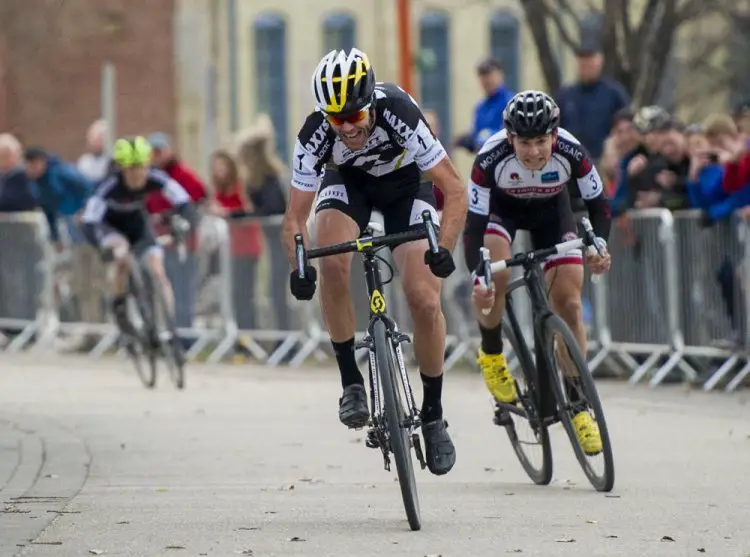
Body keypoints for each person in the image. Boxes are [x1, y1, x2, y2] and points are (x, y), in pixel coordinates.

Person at [282, 48, 468, 476]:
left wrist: (444, 247)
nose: (346, 127)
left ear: (370, 103)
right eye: (336, 119)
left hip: (407, 187)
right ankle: (351, 381)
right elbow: (294, 215)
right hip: (349, 187)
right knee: (331, 265)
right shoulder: (315, 130)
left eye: (353, 116)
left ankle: (434, 415)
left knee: (423, 298)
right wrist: (299, 266)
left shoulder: (398, 110)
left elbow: (454, 190)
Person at [463, 91, 612, 455]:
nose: (534, 152)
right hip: (503, 213)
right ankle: (493, 354)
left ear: (554, 136)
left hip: (552, 213)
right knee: (494, 276)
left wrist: (599, 247)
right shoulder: (489, 159)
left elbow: (599, 207)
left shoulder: (572, 153)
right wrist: (477, 275)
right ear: (510, 138)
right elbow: (474, 225)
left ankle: (578, 406)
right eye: (525, 142)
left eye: (542, 141)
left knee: (571, 305)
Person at [80, 137, 197, 346]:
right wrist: (100, 248)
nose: (137, 175)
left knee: (157, 269)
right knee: (122, 254)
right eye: (131, 170)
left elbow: (184, 201)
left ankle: (167, 325)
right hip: (112, 227)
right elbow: (89, 221)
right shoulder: (109, 185)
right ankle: (119, 305)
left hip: (139, 225)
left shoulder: (156, 178)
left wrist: (183, 224)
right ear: (122, 169)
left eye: (141, 169)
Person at [454, 58, 515, 154]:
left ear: (500, 75)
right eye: (482, 75)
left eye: (489, 74)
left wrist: (483, 138)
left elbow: (510, 136)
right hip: (487, 163)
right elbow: (475, 137)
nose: (486, 79)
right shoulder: (480, 107)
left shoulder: (512, 103)